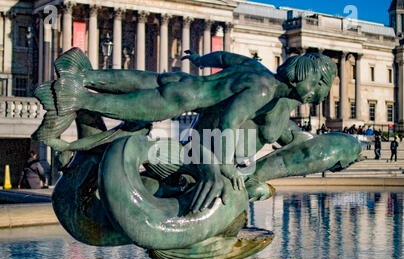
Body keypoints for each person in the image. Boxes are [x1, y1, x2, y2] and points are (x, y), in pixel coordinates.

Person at [34, 48, 344, 211]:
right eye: (318, 88)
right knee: (94, 102)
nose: (316, 95)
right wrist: (223, 166)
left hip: (183, 83)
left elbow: (222, 57)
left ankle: (82, 74)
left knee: (133, 80)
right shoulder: (263, 91)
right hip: (181, 100)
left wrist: (198, 59)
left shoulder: (256, 70)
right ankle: (70, 99)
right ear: (305, 80)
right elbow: (228, 122)